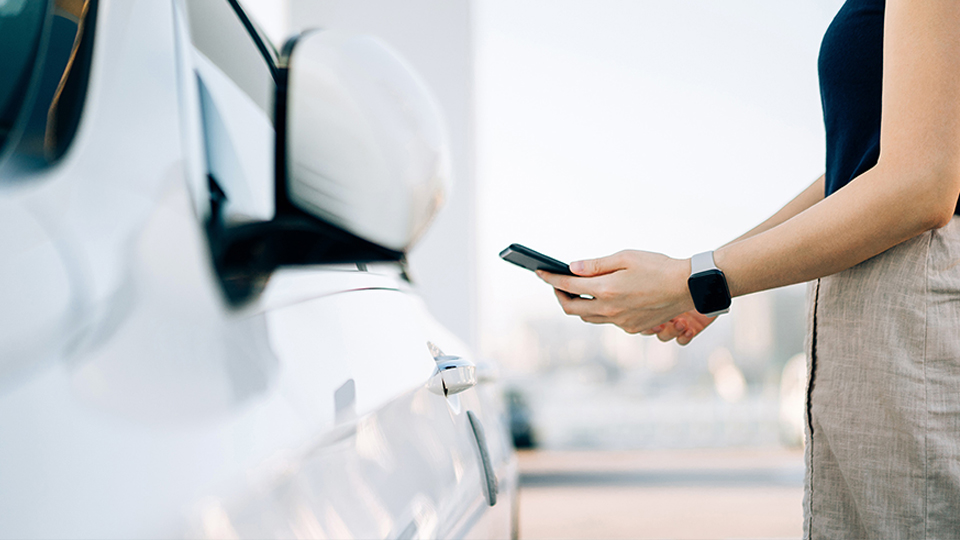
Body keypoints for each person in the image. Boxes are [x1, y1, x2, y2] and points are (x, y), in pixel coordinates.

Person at [536, 0, 960, 537]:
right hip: (894, 326)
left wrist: (697, 278)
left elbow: (920, 183)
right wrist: (699, 282)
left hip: (922, 326)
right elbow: (855, 170)